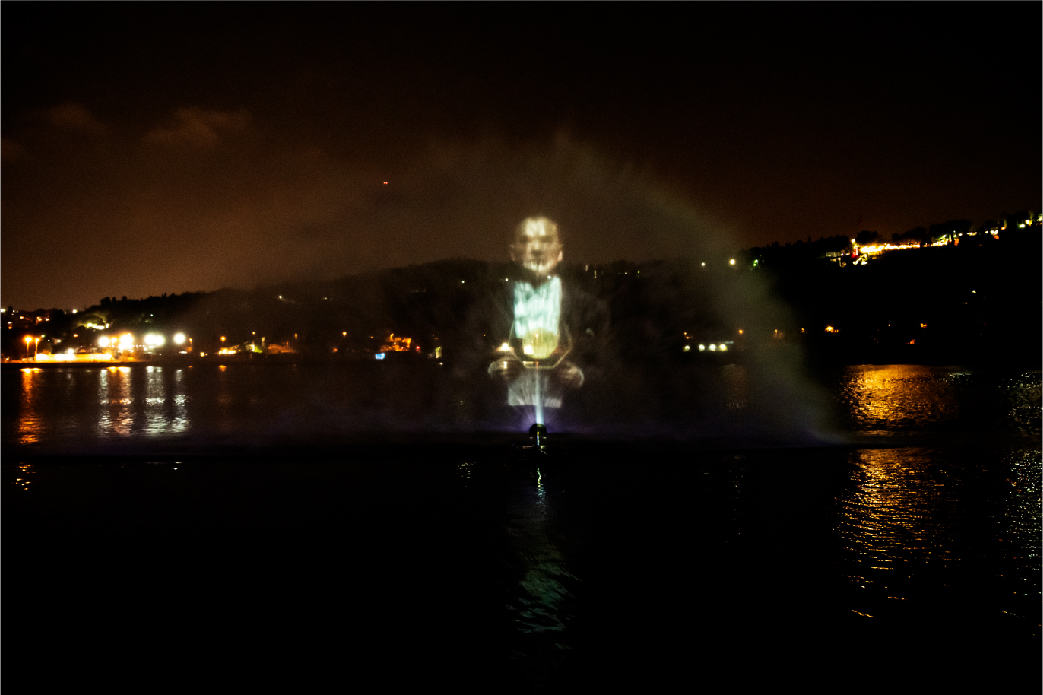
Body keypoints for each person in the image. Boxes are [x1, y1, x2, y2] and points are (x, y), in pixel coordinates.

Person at [488, 217, 603, 416]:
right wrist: (492, 371)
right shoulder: (492, 305)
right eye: (526, 240)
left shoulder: (588, 306)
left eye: (546, 240)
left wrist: (581, 376)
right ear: (513, 252)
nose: (536, 249)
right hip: (503, 419)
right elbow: (468, 359)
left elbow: (604, 362)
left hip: (570, 419)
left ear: (560, 252)